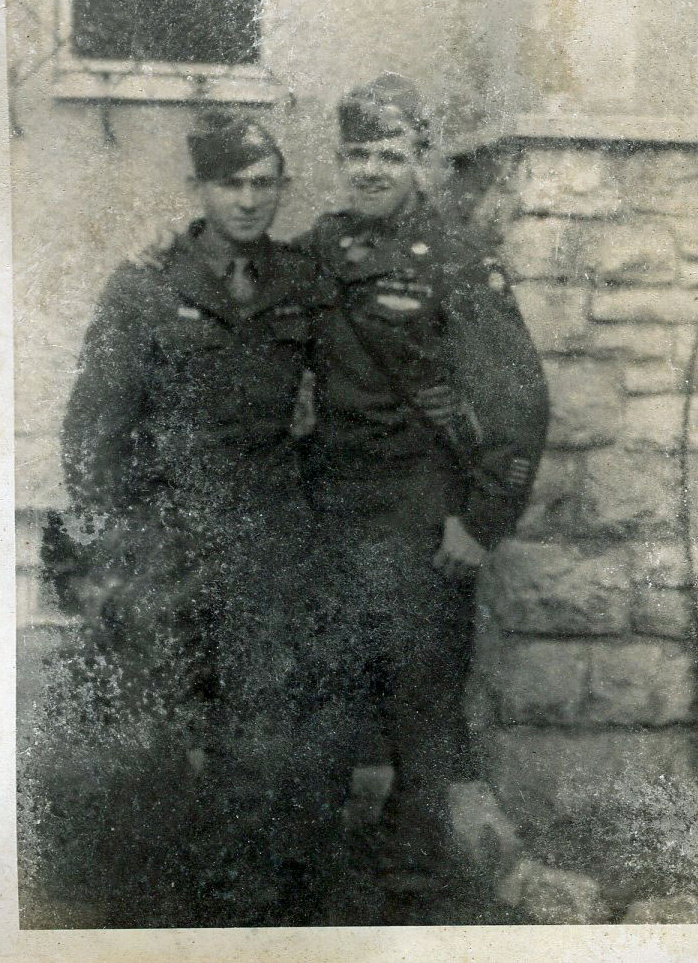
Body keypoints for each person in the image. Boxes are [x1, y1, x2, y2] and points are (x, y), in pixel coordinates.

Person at [29, 114, 340, 928]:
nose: (247, 199)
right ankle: (149, 905)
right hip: (165, 538)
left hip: (267, 535)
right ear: (200, 190)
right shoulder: (145, 283)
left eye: (263, 183)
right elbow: (92, 428)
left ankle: (245, 908)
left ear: (280, 188)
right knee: (154, 725)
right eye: (231, 183)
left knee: (262, 724)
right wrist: (118, 545)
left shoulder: (304, 280)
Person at [299, 73, 549, 913]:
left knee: (420, 692)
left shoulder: (456, 260)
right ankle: (318, 868)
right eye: (356, 153)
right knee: (329, 680)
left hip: (420, 513)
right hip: (332, 508)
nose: (369, 169)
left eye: (389, 154)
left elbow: (517, 401)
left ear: (419, 160)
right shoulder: (318, 251)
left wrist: (479, 524)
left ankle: (414, 877)